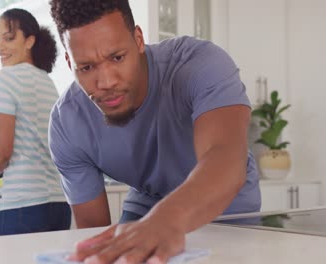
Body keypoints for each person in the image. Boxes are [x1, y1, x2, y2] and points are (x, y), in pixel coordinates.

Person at [48, 0, 261, 263]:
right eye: (87, 67)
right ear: (69, 62)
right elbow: (95, 231)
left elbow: (226, 155)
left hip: (227, 210)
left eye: (117, 57)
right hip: (145, 211)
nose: (106, 82)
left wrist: (168, 219)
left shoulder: (198, 64)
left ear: (138, 39)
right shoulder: (67, 124)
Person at [0, 8, 71, 235]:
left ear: (30, 41)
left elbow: (3, 151)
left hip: (24, 206)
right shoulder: (47, 82)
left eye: (9, 38)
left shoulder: (5, 78)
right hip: (60, 204)